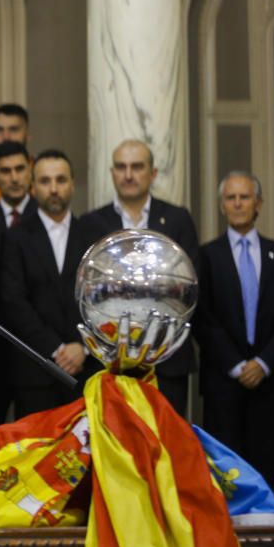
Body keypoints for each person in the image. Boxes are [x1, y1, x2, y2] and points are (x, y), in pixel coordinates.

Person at [88, 139, 198, 416]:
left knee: (167, 448)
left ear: (153, 173)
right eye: (121, 167)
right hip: (111, 363)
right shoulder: (92, 223)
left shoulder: (177, 219)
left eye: (137, 167)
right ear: (112, 172)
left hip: (168, 361)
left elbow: (191, 288)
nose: (128, 174)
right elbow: (85, 290)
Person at [0, 149, 108, 417]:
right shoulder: (16, 237)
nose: (54, 188)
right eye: (45, 182)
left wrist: (82, 347)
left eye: (61, 180)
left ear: (72, 183)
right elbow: (14, 301)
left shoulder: (94, 236)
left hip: (87, 370)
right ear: (33, 188)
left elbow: (104, 299)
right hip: (36, 371)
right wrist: (57, 349)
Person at [196, 172, 274, 487]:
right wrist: (237, 365)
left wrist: (263, 363)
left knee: (264, 472)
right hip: (223, 382)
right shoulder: (206, 256)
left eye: (244, 197)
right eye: (231, 198)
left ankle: (263, 536)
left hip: (269, 382)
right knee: (225, 477)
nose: (237, 204)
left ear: (258, 203)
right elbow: (202, 318)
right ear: (222, 205)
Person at [0, 141, 36, 464]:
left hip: (37, 348)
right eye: (5, 171)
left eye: (19, 169)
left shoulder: (46, 215)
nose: (14, 178)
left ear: (29, 170)